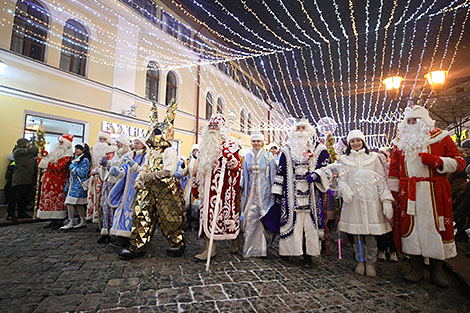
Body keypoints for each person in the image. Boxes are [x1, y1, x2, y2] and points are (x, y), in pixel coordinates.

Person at [389, 105, 465, 288]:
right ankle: (416, 268)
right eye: (409, 120)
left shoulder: (441, 137)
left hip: (434, 191)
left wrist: (438, 162)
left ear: (425, 121)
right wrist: (393, 192)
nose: (412, 123)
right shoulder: (400, 142)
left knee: (435, 229)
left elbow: (460, 162)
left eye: (416, 120)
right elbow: (394, 169)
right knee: (411, 229)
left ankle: (436, 270)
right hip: (409, 192)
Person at [119, 100, 186, 259]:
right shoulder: (150, 152)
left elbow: (169, 170)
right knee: (141, 213)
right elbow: (145, 167)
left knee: (169, 217)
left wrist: (150, 175)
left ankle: (177, 242)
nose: (156, 136)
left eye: (158, 133)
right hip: (148, 188)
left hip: (165, 190)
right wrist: (141, 175)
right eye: (154, 132)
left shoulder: (169, 151)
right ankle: (137, 246)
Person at [263, 118, 330, 262]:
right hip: (291, 195)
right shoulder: (287, 150)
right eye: (298, 128)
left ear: (309, 130)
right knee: (289, 222)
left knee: (310, 224)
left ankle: (308, 254)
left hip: (312, 194)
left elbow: (327, 168)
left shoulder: (319, 149)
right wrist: (278, 191)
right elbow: (280, 171)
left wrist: (317, 175)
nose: (300, 131)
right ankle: (288, 251)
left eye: (303, 128)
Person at [336, 130, 393, 277]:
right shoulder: (344, 159)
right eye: (353, 141)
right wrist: (345, 189)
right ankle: (360, 261)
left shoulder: (373, 158)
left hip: (371, 201)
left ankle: (371, 262)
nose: (356, 143)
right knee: (357, 235)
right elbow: (341, 179)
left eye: (358, 140)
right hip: (353, 200)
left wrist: (386, 199)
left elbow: (381, 179)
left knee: (370, 235)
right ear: (349, 143)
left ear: (363, 141)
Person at [192, 114, 242, 260]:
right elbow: (199, 168)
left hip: (224, 191)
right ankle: (209, 249)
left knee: (226, 219)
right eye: (211, 126)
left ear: (221, 129)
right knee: (208, 219)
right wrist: (195, 184)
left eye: (215, 127)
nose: (212, 129)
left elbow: (236, 167)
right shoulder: (204, 146)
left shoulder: (230, 146)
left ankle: (235, 241)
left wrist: (228, 155)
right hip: (207, 192)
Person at [241, 132, 276, 258]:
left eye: (258, 141)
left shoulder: (269, 157)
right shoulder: (247, 157)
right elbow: (245, 175)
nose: (256, 143)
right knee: (250, 219)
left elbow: (272, 175)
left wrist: (274, 192)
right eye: (254, 141)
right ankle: (249, 249)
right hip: (251, 193)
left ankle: (262, 249)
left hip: (264, 193)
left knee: (263, 219)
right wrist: (243, 189)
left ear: (262, 143)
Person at [108, 137, 148, 247]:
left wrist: (133, 165)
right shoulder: (131, 155)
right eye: (134, 143)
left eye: (138, 143)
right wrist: (117, 172)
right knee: (123, 210)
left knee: (133, 212)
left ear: (143, 145)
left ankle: (131, 238)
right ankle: (121, 236)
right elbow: (124, 171)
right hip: (127, 188)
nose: (135, 145)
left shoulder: (146, 157)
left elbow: (144, 171)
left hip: (137, 188)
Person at [98, 133, 131, 243]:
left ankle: (115, 232)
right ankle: (105, 231)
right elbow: (110, 167)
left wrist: (110, 168)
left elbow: (123, 172)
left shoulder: (128, 156)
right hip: (109, 183)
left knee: (115, 209)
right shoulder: (117, 155)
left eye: (119, 143)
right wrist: (104, 165)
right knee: (105, 207)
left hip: (118, 185)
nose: (117, 144)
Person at [37, 133, 74, 228]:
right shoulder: (55, 153)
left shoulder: (67, 156)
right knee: (50, 200)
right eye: (59, 141)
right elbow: (50, 160)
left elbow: (58, 167)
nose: (60, 143)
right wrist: (44, 156)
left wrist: (44, 163)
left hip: (59, 182)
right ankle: (52, 219)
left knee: (58, 200)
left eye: (62, 142)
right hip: (49, 181)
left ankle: (59, 220)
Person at [6, 138, 39, 221]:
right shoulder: (18, 151)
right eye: (27, 143)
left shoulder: (26, 152)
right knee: (15, 197)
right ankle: (10, 213)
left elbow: (34, 152)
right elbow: (33, 150)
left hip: (28, 178)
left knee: (24, 197)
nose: (28, 144)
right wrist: (34, 145)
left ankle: (22, 212)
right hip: (20, 178)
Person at [61, 143, 91, 230]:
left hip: (78, 185)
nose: (76, 150)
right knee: (79, 204)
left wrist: (73, 168)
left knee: (69, 202)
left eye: (78, 149)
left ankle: (71, 221)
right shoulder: (76, 158)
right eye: (76, 148)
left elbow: (83, 173)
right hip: (73, 184)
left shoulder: (84, 160)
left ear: (83, 150)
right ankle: (82, 220)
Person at [87, 131, 114, 223]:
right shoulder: (95, 151)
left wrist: (99, 170)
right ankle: (97, 218)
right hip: (96, 179)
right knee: (96, 198)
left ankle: (104, 221)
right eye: (100, 139)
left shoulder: (111, 151)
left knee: (104, 199)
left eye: (104, 139)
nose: (102, 142)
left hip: (105, 178)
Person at [178, 144, 199, 231]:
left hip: (198, 184)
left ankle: (197, 223)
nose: (196, 152)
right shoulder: (189, 161)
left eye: (197, 151)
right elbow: (183, 173)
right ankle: (188, 222)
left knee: (197, 204)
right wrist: (183, 167)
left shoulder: (201, 161)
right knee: (188, 204)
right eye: (194, 151)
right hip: (189, 184)